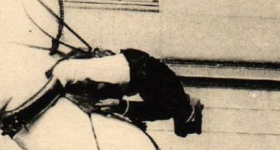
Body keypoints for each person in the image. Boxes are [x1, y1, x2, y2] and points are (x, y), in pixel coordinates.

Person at [49, 48, 203, 137]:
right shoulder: (175, 104)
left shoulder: (177, 95)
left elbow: (146, 110)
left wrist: (120, 104)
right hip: (130, 70)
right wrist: (119, 105)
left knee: (72, 78)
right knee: (65, 71)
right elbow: (146, 111)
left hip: (129, 69)